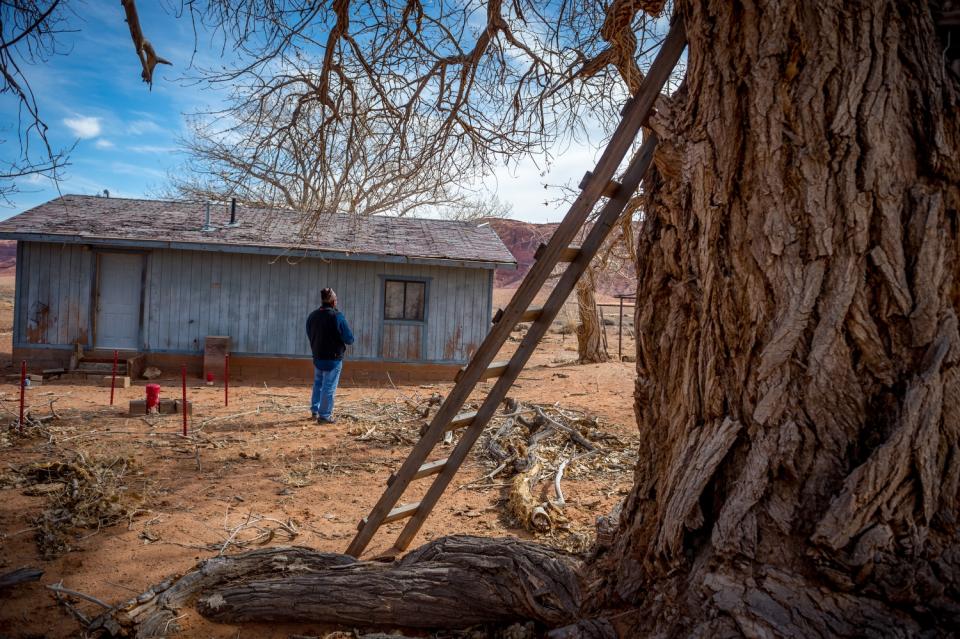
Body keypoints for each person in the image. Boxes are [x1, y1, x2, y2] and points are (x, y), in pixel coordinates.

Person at [306, 287, 354, 423]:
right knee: (328, 387)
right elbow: (349, 339)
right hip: (333, 359)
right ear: (333, 301)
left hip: (317, 357)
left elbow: (309, 334)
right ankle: (325, 416)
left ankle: (315, 411)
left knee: (318, 384)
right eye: (336, 299)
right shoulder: (337, 316)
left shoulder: (312, 316)